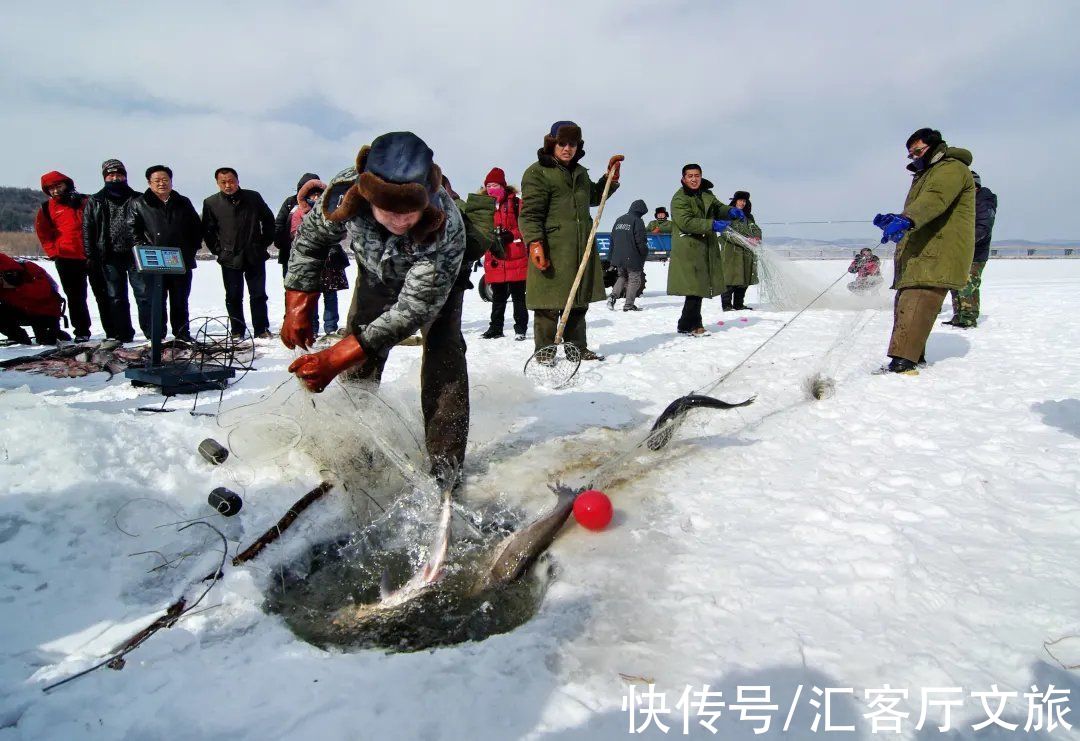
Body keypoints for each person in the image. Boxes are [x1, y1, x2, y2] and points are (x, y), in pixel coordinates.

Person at [281, 132, 468, 482]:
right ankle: (358, 442)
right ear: (366, 197)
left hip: (437, 281)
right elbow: (310, 241)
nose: (400, 222)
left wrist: (335, 357)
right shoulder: (343, 193)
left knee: (445, 356)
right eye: (388, 211)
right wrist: (298, 303)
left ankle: (446, 465)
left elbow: (413, 310)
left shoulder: (447, 227)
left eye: (409, 213)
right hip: (377, 274)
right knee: (360, 354)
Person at [873, 127, 975, 375]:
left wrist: (907, 219)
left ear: (935, 147)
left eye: (918, 151)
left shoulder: (950, 168)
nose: (914, 158)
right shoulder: (928, 172)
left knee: (917, 299)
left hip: (938, 250)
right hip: (923, 250)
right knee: (909, 301)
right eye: (911, 155)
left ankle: (903, 364)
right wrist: (897, 221)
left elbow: (935, 198)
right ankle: (910, 358)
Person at [519, 121, 622, 360]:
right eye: (562, 143)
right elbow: (530, 213)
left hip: (580, 247)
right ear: (551, 144)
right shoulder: (537, 172)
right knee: (548, 303)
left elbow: (594, 197)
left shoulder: (580, 173)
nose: (567, 149)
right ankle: (544, 353)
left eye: (572, 144)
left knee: (578, 301)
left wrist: (610, 178)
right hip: (552, 247)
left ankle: (577, 348)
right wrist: (534, 242)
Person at [126, 165, 203, 342]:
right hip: (153, 260)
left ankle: (182, 333)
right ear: (149, 183)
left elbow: (196, 229)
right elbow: (132, 231)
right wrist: (145, 251)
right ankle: (156, 335)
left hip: (179, 260)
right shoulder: (138, 203)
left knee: (180, 300)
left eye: (165, 180)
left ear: (171, 181)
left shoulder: (183, 202)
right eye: (157, 180)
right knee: (155, 300)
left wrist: (189, 251)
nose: (162, 183)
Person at [667, 164, 745, 336]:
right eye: (690, 176)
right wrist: (712, 224)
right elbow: (686, 222)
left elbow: (718, 207)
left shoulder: (706, 194)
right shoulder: (679, 199)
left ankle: (684, 324)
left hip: (705, 247)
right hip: (689, 248)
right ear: (683, 178)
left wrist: (731, 211)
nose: (694, 179)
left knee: (698, 287)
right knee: (695, 287)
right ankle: (695, 324)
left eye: (697, 175)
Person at [34, 171, 110, 341]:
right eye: (51, 189)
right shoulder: (46, 209)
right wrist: (54, 253)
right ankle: (82, 331)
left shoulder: (87, 201)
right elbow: (43, 234)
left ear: (67, 184)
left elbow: (102, 225)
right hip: (67, 258)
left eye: (58, 186)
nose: (55, 191)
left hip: (94, 256)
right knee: (76, 298)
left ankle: (112, 330)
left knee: (104, 294)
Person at [202, 167, 276, 339]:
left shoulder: (253, 197)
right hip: (229, 257)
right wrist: (218, 251)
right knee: (233, 297)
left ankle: (261, 329)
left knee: (258, 295)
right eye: (223, 182)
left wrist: (262, 243)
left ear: (237, 180)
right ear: (217, 183)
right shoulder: (211, 202)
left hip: (254, 255)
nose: (228, 185)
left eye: (231, 181)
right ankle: (237, 330)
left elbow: (268, 220)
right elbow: (208, 231)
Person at [83, 158, 146, 341]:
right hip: (109, 256)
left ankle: (151, 333)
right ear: (104, 177)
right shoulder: (95, 200)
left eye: (119, 174)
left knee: (143, 295)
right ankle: (123, 334)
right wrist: (91, 256)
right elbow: (88, 229)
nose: (115, 178)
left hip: (135, 255)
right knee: (116, 297)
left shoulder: (138, 198)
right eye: (111, 175)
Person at [288, 178, 350, 337]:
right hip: (310, 261)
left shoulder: (333, 210)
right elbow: (295, 233)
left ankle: (331, 327)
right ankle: (312, 327)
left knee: (330, 295)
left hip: (330, 261)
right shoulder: (299, 213)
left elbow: (342, 232)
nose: (315, 198)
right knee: (311, 295)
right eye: (312, 195)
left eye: (318, 194)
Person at [479, 167, 528, 340]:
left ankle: (520, 329)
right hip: (495, 256)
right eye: (489, 185)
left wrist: (510, 234)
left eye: (495, 185)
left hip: (516, 256)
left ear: (503, 185)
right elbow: (478, 228)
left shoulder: (516, 203)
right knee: (498, 297)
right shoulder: (483, 206)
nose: (492, 188)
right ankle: (495, 328)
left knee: (518, 296)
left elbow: (526, 226)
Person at [944, 170, 997, 328]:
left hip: (975, 252)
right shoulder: (964, 202)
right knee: (955, 284)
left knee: (968, 284)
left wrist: (965, 242)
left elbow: (983, 227)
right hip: (959, 251)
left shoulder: (983, 201)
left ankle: (968, 318)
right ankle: (958, 315)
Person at [0, 253, 69, 345]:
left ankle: (55, 332)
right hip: (20, 310)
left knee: (46, 341)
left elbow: (44, 292)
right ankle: (17, 336)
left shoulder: (29, 269)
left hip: (44, 311)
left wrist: (18, 286)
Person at [719, 190, 761, 311]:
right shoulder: (727, 214)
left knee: (744, 278)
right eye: (740, 200)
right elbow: (724, 232)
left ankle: (738, 304)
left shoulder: (749, 216)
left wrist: (756, 237)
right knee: (730, 278)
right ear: (735, 201)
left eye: (744, 201)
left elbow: (756, 228)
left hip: (746, 252)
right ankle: (726, 305)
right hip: (731, 250)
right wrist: (744, 241)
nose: (742, 203)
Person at [274, 173, 320, 280]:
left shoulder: (323, 203)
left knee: (316, 288)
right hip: (289, 251)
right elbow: (279, 223)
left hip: (317, 253)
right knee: (290, 286)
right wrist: (279, 242)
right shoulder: (290, 202)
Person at [607, 199, 648, 311]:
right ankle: (629, 305)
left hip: (618, 255)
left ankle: (612, 297)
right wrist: (644, 254)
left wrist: (611, 257)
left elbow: (612, 239)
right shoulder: (637, 221)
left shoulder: (619, 219)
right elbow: (641, 241)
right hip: (632, 256)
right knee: (634, 279)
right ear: (641, 211)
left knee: (622, 277)